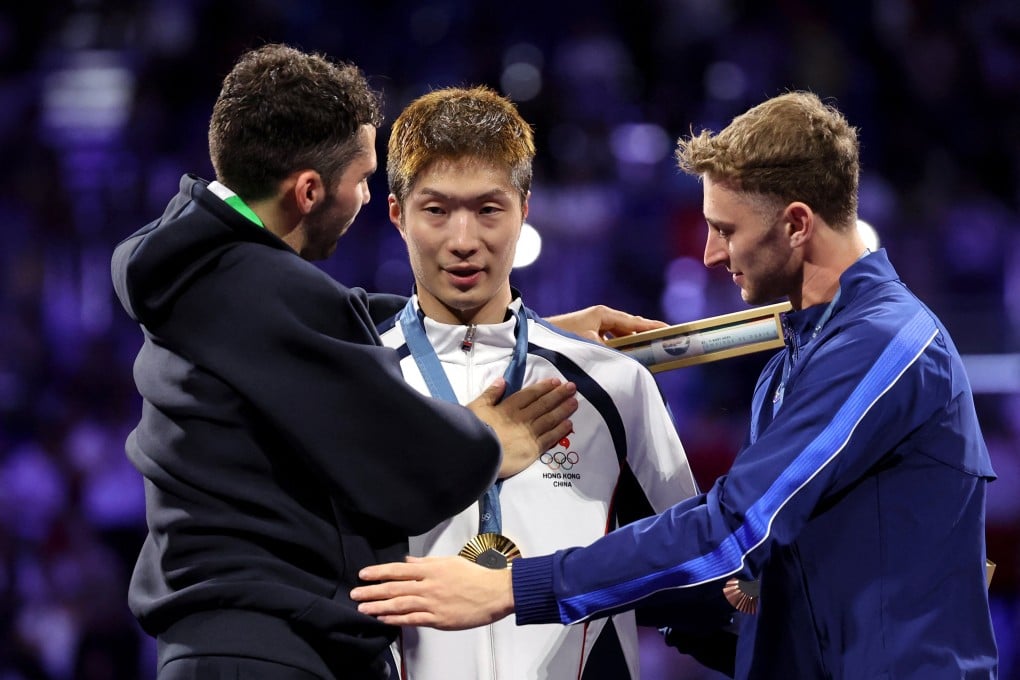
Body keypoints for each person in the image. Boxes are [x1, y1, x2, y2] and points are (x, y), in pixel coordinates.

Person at [352, 91, 1000, 678]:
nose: (712, 253)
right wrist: (531, 338)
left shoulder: (888, 343)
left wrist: (513, 588)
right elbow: (741, 589)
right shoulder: (790, 365)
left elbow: (728, 532)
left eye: (725, 229)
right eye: (437, 210)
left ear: (797, 224)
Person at [109, 43, 656, 680]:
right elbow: (413, 467)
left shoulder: (200, 273)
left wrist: (531, 331)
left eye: (487, 209)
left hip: (225, 645)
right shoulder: (267, 290)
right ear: (309, 191)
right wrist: (485, 439)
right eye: (363, 178)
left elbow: (336, 321)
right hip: (266, 655)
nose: (366, 196)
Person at [377, 85, 699, 679]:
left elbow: (692, 565)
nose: (464, 240)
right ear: (398, 214)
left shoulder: (611, 384)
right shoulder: (361, 385)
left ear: (525, 208)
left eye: (488, 209)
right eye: (436, 210)